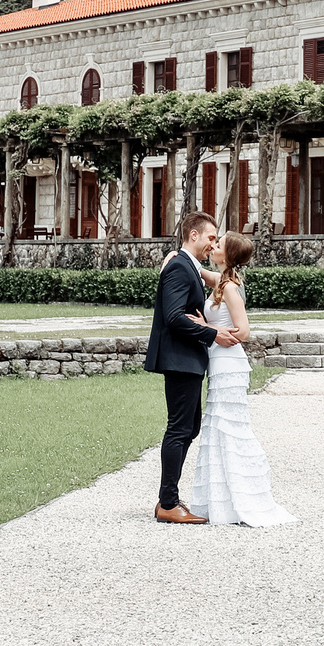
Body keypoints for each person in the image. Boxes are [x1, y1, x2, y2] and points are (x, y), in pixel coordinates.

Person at [192, 230, 295, 526]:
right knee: (217, 429)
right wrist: (178, 257)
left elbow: (245, 332)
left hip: (229, 366)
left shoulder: (232, 289)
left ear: (229, 255)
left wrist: (209, 331)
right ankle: (221, 503)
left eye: (219, 245)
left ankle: (246, 496)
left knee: (229, 428)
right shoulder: (221, 281)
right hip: (219, 365)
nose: (213, 247)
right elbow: (201, 272)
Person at [144, 211, 233, 524]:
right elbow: (173, 317)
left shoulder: (186, 266)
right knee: (180, 428)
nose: (213, 243)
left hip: (188, 360)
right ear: (193, 235)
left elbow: (215, 284)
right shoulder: (181, 268)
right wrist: (213, 333)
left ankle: (168, 498)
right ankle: (168, 502)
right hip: (179, 359)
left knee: (189, 427)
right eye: (210, 237)